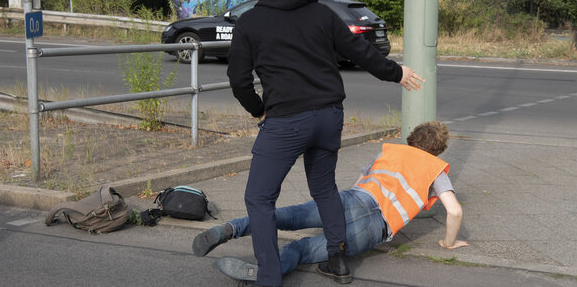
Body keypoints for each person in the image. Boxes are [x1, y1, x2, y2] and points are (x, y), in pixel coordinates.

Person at [226, 0, 425, 287]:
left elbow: (238, 80)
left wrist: (257, 108)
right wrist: (396, 72)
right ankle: (338, 259)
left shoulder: (249, 21)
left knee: (259, 198)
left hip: (286, 121)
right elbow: (359, 51)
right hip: (329, 116)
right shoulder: (320, 12)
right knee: (323, 187)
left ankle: (269, 277)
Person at [192, 121, 468, 284]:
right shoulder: (435, 169)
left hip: (352, 201)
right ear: (438, 150)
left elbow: (364, 176)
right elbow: (454, 211)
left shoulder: (392, 153)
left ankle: (228, 229)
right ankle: (263, 273)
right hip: (373, 230)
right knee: (301, 248)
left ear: (412, 138)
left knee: (284, 216)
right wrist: (449, 242)